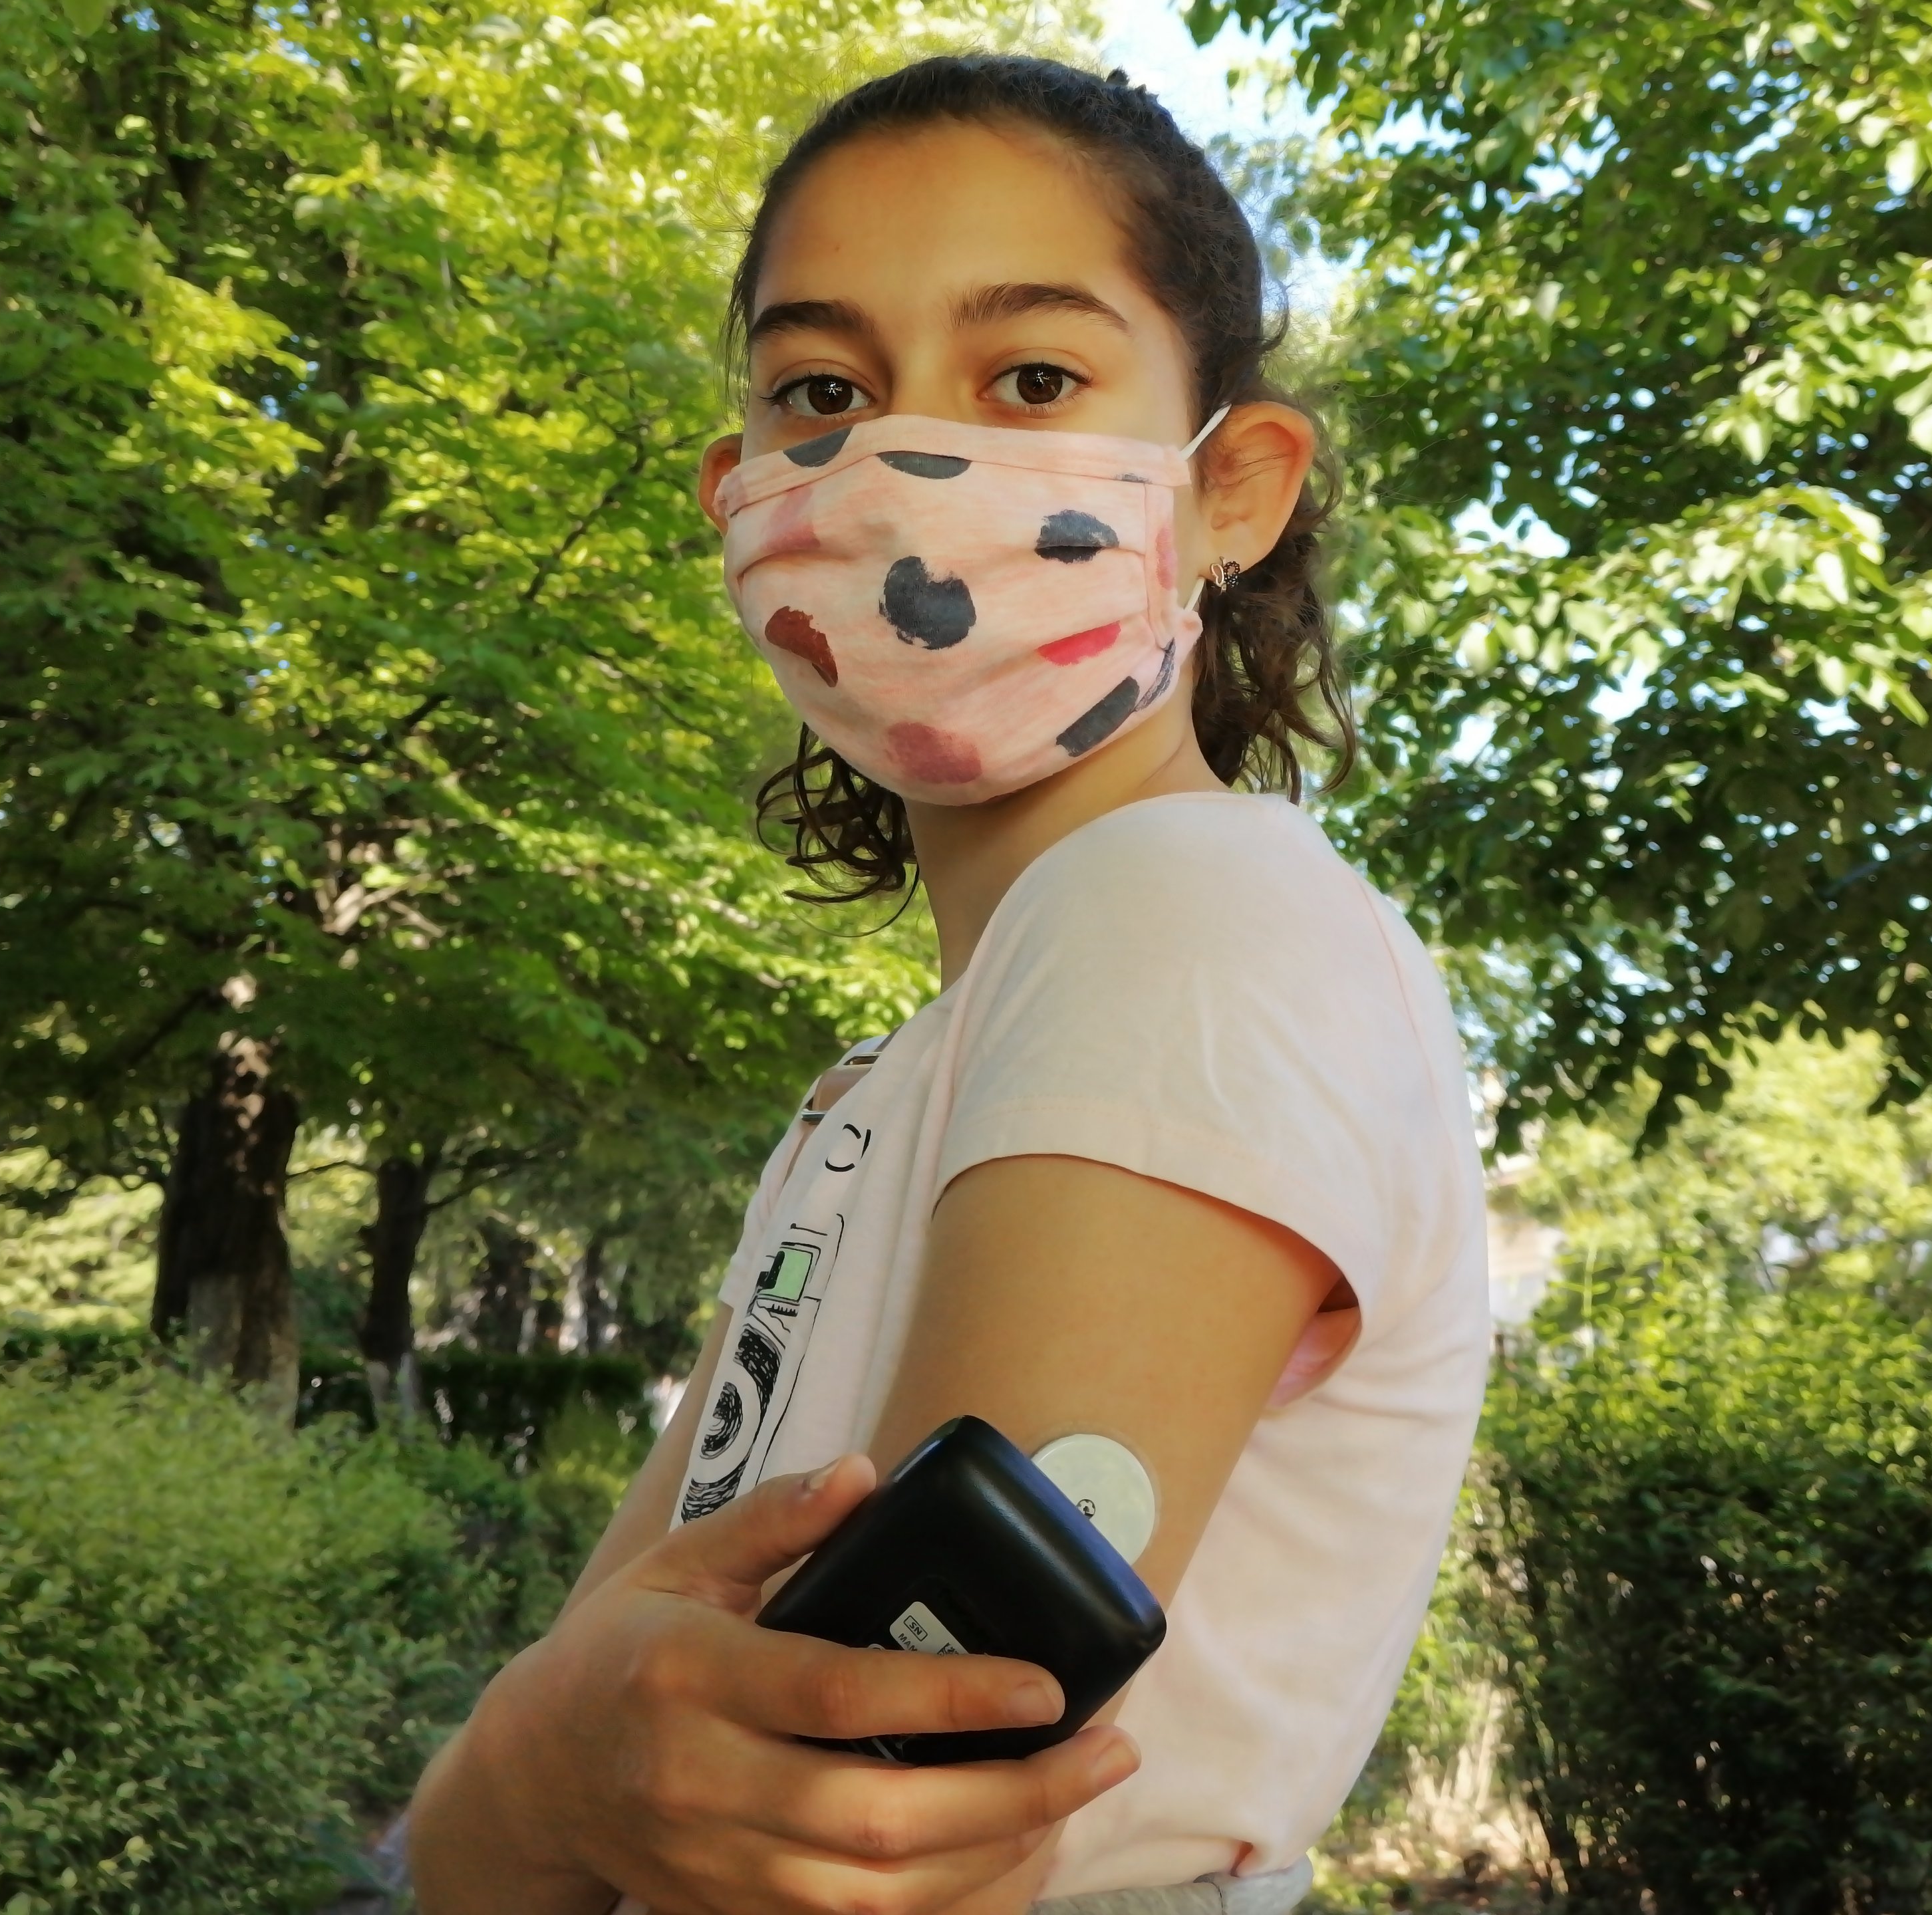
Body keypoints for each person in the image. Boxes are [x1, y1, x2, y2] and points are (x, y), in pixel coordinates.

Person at [406, 53, 1489, 1915]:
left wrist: (543, 1771)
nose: (904, 461)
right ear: (738, 499)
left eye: (1035, 381)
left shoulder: (1183, 913)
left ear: (1233, 486)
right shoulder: (889, 1084)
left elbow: (860, 1840)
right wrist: (542, 1770)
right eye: (820, 390)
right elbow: (511, 1820)